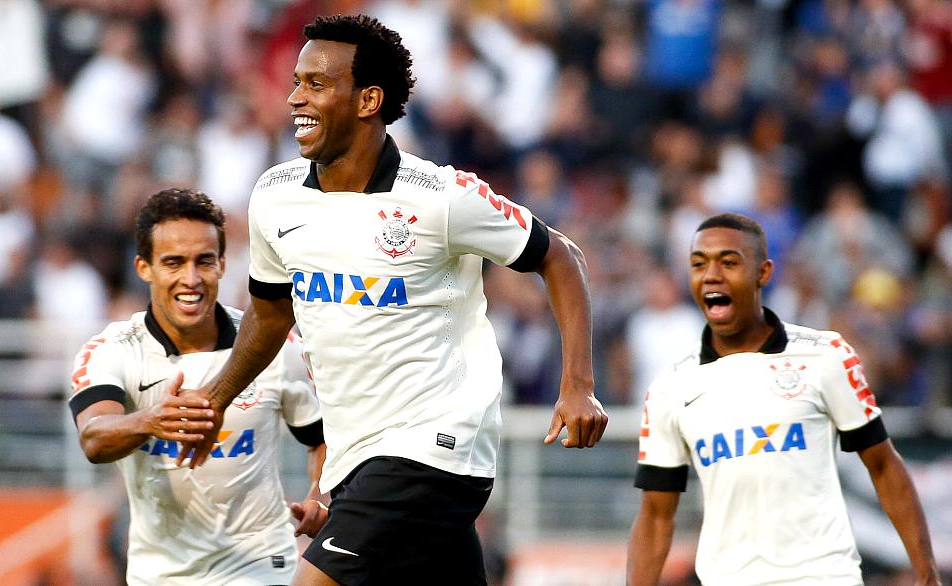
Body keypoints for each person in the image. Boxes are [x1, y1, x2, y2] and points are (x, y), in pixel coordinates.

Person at [176, 14, 609, 586]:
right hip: (359, 456)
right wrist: (216, 400)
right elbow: (271, 312)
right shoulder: (275, 195)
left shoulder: (439, 197)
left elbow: (561, 256)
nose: (294, 97)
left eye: (315, 83)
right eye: (296, 81)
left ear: (367, 99)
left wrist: (577, 384)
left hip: (436, 446)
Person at [627, 213, 941, 586]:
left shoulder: (825, 355)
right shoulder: (671, 387)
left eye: (728, 262)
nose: (711, 275)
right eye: (699, 264)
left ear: (763, 272)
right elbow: (656, 515)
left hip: (824, 577)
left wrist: (926, 574)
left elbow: (884, 466)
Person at [68, 189, 327, 585]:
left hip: (260, 566)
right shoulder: (113, 349)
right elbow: (94, 438)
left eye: (204, 261)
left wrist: (319, 497)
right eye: (173, 262)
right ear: (144, 267)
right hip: (158, 574)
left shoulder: (271, 346)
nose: (191, 279)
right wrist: (150, 421)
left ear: (223, 264)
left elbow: (325, 439)